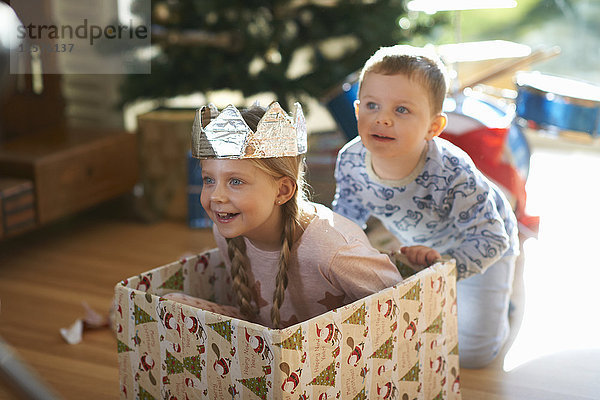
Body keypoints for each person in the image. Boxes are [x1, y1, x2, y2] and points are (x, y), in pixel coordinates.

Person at [332, 45, 519, 368]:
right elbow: (345, 219)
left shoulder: (451, 171)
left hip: (481, 245)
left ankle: (503, 307)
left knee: (473, 355)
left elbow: (492, 240)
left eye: (401, 110)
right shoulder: (351, 160)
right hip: (421, 247)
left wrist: (445, 265)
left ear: (433, 127)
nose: (383, 119)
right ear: (358, 110)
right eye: (372, 106)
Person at [166, 102, 402, 329]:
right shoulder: (225, 229)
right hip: (265, 342)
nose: (216, 196)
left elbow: (401, 302)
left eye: (235, 181)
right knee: (171, 303)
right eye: (209, 180)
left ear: (283, 190)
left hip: (329, 354)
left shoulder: (333, 249)